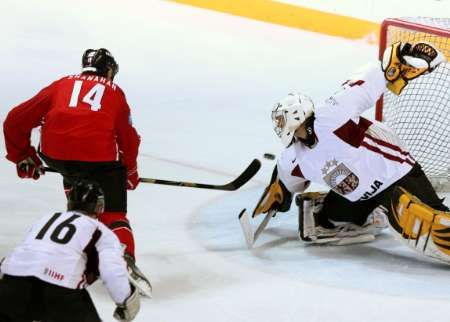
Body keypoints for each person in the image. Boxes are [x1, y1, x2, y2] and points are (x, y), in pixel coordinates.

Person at [253, 41, 450, 263]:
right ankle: (374, 213)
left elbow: (369, 80)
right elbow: (283, 181)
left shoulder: (332, 114)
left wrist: (399, 59)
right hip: (358, 196)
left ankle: (384, 209)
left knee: (434, 220)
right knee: (326, 220)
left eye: (283, 121)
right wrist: (278, 197)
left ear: (298, 116)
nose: (282, 127)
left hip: (395, 174)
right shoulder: (294, 156)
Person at [3, 48, 151, 295]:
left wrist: (23, 156)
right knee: (113, 212)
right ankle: (123, 259)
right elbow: (128, 139)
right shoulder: (115, 92)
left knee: (82, 205)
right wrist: (131, 172)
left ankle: (76, 257)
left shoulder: (61, 84)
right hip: (99, 159)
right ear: (109, 70)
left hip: (57, 156)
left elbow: (14, 120)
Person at [0, 179, 140, 322]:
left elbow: (21, 252)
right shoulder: (101, 231)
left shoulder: (47, 219)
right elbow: (111, 270)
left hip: (13, 282)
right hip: (60, 290)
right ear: (99, 207)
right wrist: (125, 300)